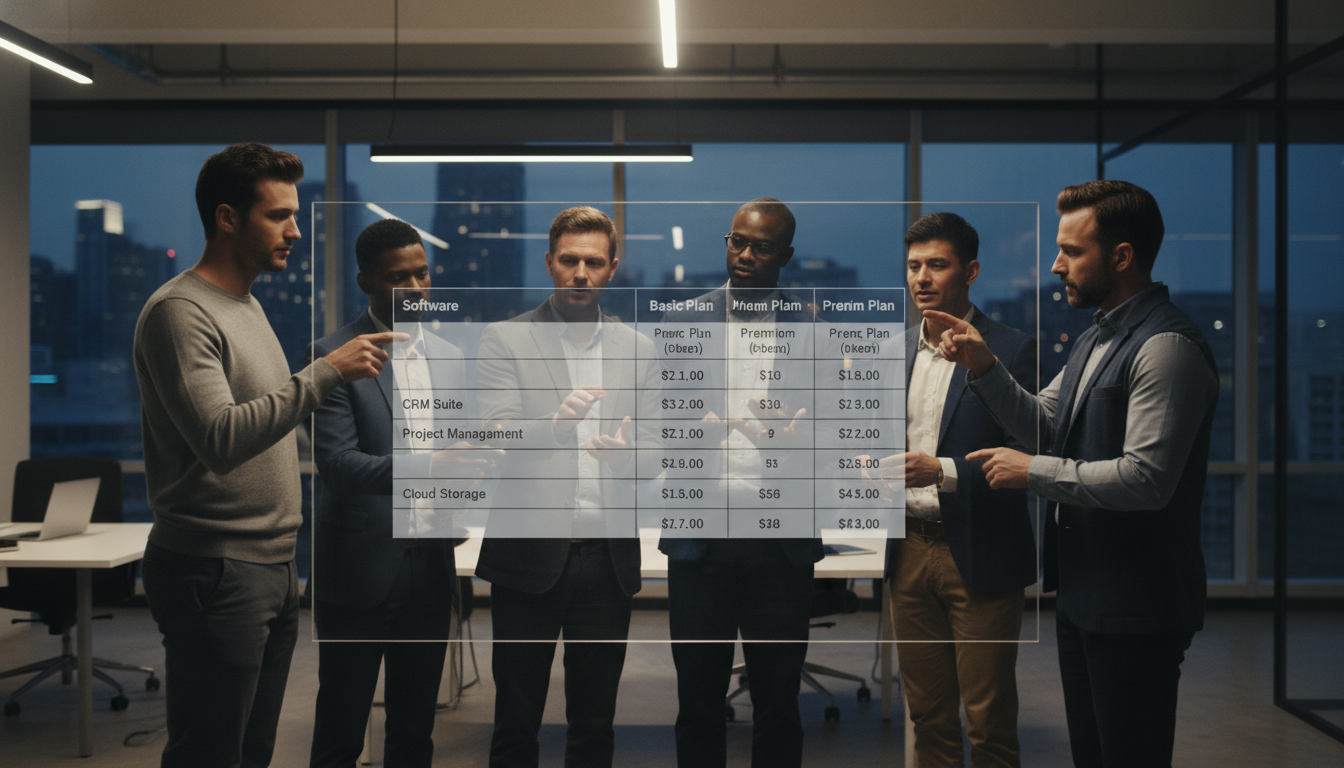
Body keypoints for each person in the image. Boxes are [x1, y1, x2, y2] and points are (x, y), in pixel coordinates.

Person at [929, 180, 1219, 768]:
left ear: (1122, 256)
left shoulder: (1166, 347)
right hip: (1087, 595)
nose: (1056, 265)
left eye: (1071, 251)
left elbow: (1146, 480)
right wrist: (984, 368)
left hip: (1139, 604)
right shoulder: (1095, 337)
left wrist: (1033, 472)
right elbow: (1044, 423)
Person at [132, 143, 401, 768]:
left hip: (272, 564)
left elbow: (269, 422)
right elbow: (221, 439)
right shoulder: (180, 312)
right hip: (215, 565)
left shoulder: (247, 306)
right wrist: (326, 373)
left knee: (252, 749)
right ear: (227, 218)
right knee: (209, 752)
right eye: (279, 215)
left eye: (295, 215)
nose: (295, 231)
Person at [473, 206, 661, 768]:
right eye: (570, 260)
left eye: (594, 262)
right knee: (515, 723)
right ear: (549, 263)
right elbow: (497, 433)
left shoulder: (640, 350)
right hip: (527, 558)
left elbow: (656, 452)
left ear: (613, 268)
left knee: (595, 725)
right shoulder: (505, 339)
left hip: (607, 562)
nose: (581, 273)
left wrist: (630, 458)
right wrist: (556, 425)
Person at [307, 219, 495, 768]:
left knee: (415, 732)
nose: (415, 289)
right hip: (358, 568)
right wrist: (430, 466)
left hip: (430, 568)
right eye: (398, 278)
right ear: (366, 282)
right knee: (341, 730)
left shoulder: (450, 357)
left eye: (422, 274)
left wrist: (475, 465)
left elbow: (456, 452)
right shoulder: (332, 354)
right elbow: (337, 465)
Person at [659, 198, 823, 768]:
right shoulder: (682, 323)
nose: (745, 255)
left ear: (786, 256)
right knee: (698, 703)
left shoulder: (815, 332)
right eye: (737, 242)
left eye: (762, 246)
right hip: (701, 541)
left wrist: (796, 441)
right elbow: (660, 424)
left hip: (780, 544)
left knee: (778, 705)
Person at [869, 212, 1036, 768]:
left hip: (982, 550)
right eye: (913, 265)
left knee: (988, 723)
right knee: (928, 718)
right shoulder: (892, 352)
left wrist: (941, 470)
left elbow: (1026, 454)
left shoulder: (1011, 349)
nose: (921, 278)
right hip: (908, 552)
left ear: (971, 271)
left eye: (936, 265)